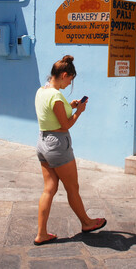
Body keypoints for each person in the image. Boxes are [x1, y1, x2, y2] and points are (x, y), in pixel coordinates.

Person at [33, 55, 107, 245]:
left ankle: (41, 233)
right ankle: (87, 222)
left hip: (42, 143)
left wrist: (71, 105)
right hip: (58, 145)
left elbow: (52, 113)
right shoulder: (56, 96)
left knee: (49, 189)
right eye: (70, 79)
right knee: (72, 188)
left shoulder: (42, 91)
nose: (69, 83)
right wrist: (78, 112)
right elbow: (65, 125)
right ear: (64, 74)